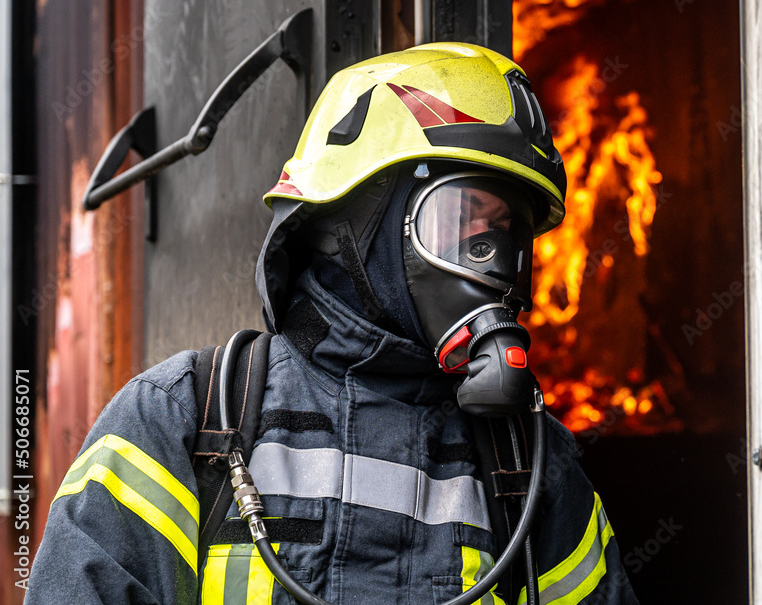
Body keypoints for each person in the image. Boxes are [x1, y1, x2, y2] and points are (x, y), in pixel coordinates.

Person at [25, 43, 639, 605]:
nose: (494, 268)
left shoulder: (531, 466)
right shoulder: (182, 421)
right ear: (355, 224)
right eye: (462, 224)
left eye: (507, 238)